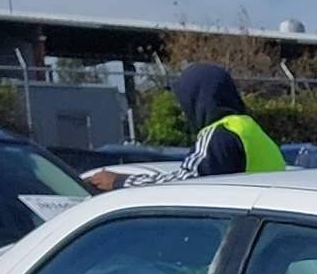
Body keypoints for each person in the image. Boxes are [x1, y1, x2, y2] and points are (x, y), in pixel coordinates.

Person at [88, 63, 285, 190]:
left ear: (198, 100)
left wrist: (119, 182)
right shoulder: (251, 130)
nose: (183, 111)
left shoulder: (218, 134)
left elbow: (184, 184)